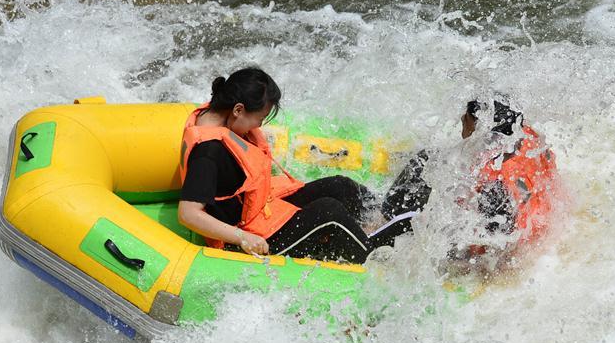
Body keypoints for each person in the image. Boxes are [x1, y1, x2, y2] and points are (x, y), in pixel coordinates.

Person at [178, 68, 408, 264]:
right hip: (247, 238)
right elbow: (188, 214)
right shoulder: (208, 152)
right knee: (328, 212)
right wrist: (241, 238)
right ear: (238, 109)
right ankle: (375, 258)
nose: (259, 125)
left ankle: (381, 224)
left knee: (341, 187)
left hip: (260, 211)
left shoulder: (218, 113)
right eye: (260, 119)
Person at [380, 98, 559, 264]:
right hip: (542, 233)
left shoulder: (482, 175)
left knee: (426, 159)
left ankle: (381, 221)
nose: (462, 119)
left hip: (497, 254)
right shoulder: (530, 138)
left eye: (466, 117)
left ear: (479, 127)